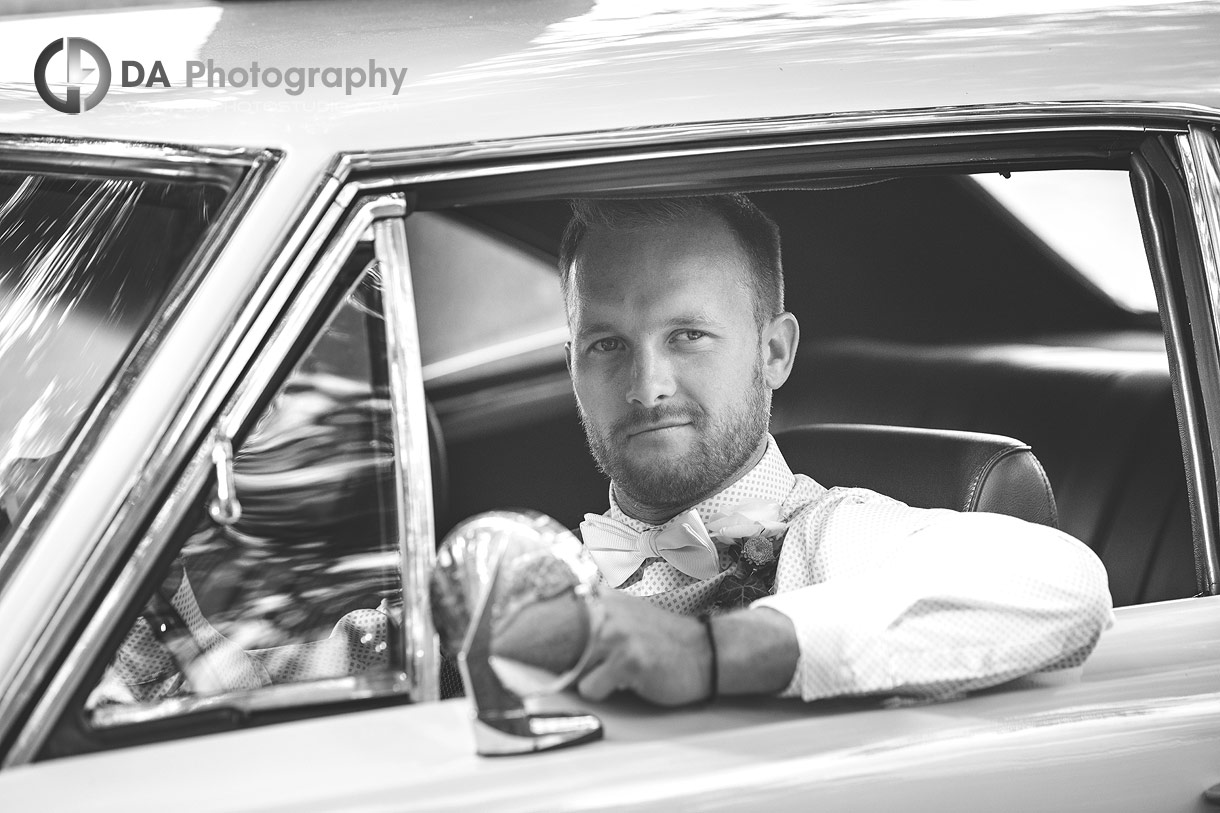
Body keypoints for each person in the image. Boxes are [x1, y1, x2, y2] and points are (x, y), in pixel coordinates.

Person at [558, 194, 1114, 707]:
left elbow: (1065, 584)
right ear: (573, 370)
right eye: (607, 345)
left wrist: (714, 653)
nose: (646, 386)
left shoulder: (836, 537)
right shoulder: (543, 575)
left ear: (773, 352)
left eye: (688, 335)